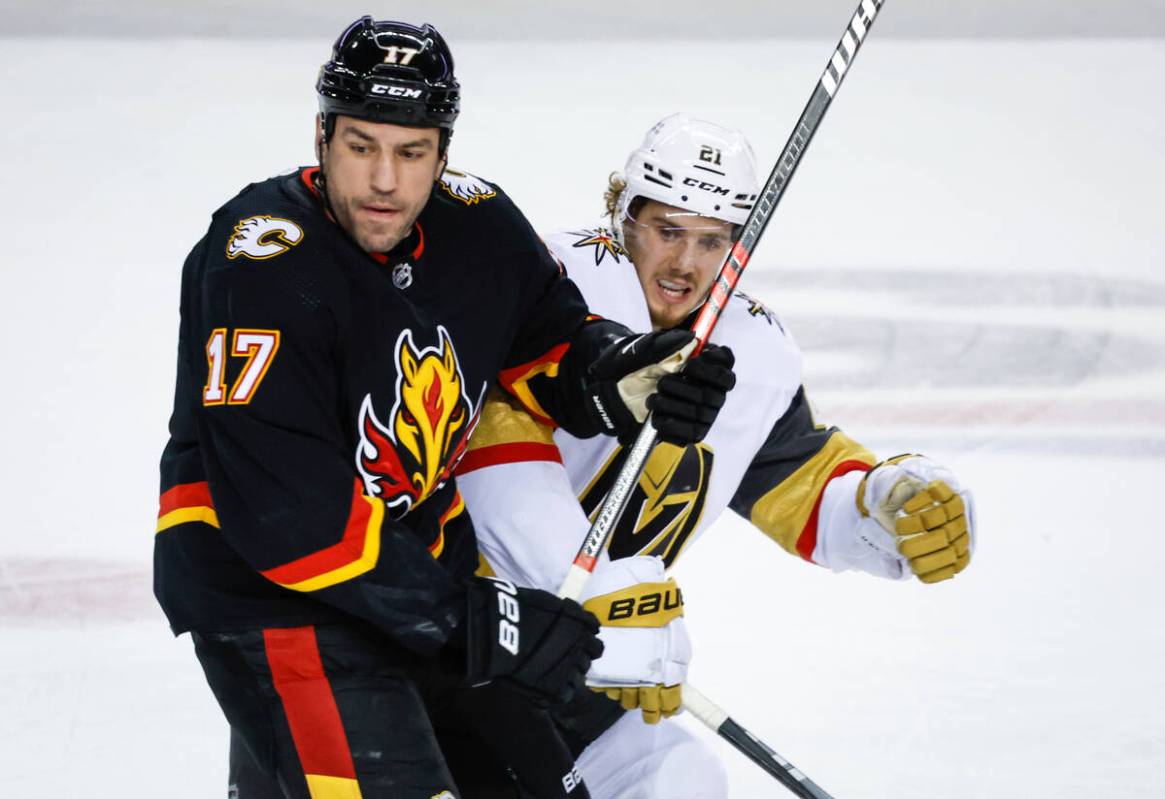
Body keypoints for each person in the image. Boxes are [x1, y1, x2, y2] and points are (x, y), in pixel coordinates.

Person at [154, 18, 737, 799]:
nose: (385, 181)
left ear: (444, 150)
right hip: (277, 603)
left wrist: (625, 373)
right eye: (361, 147)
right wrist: (473, 619)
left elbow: (554, 346)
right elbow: (286, 519)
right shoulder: (264, 263)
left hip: (418, 579)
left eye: (411, 150)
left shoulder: (478, 227)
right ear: (321, 136)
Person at [453, 113, 976, 799]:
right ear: (622, 214)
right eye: (667, 231)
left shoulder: (750, 351)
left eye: (712, 240)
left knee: (679, 779)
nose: (685, 264)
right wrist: (584, 585)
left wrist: (885, 503)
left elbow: (798, 479)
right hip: (447, 629)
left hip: (575, 664)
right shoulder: (550, 288)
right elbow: (485, 433)